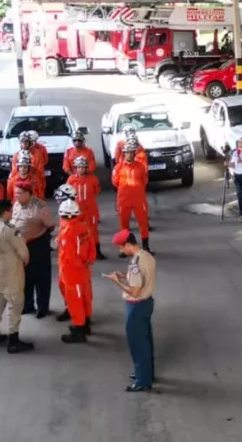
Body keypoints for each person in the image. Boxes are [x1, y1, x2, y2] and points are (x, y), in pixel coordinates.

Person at [104, 229, 156, 392]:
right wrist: (124, 275)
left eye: (121, 248)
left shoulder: (135, 264)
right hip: (147, 302)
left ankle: (142, 381)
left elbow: (134, 291)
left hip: (136, 306)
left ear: (128, 245)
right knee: (146, 341)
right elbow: (142, 276)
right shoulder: (146, 256)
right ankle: (147, 373)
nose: (121, 251)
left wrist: (116, 281)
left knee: (138, 344)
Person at [0, 199, 34, 353]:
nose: (12, 213)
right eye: (10, 211)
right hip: (12, 272)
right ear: (6, 212)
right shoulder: (10, 229)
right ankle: (13, 339)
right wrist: (25, 260)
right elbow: (23, 252)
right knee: (15, 304)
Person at [11, 182, 56, 318]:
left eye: (19, 193)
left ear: (28, 193)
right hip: (21, 245)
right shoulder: (17, 203)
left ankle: (43, 307)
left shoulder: (40, 207)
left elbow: (50, 226)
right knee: (25, 276)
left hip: (38, 245)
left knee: (41, 278)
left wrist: (36, 235)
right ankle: (28, 305)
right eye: (15, 193)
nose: (16, 196)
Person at [55, 199, 94, 343]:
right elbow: (91, 247)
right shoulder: (83, 227)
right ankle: (85, 324)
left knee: (74, 301)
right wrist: (87, 262)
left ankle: (79, 330)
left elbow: (70, 256)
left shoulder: (68, 232)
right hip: (84, 270)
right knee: (85, 298)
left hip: (72, 273)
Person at [113, 141, 152, 255]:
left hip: (138, 199)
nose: (129, 155)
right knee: (123, 224)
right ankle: (125, 249)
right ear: (123, 154)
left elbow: (144, 180)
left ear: (134, 153)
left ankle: (145, 247)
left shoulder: (140, 166)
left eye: (131, 152)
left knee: (143, 222)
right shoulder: (118, 167)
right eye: (126, 153)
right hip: (123, 200)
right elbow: (115, 182)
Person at [67, 156, 105, 260]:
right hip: (77, 210)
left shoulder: (93, 179)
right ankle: (78, 251)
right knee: (75, 231)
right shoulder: (71, 179)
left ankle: (97, 251)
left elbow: (97, 191)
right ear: (75, 168)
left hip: (90, 209)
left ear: (86, 168)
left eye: (82, 167)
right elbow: (68, 193)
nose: (80, 169)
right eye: (78, 167)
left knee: (93, 231)